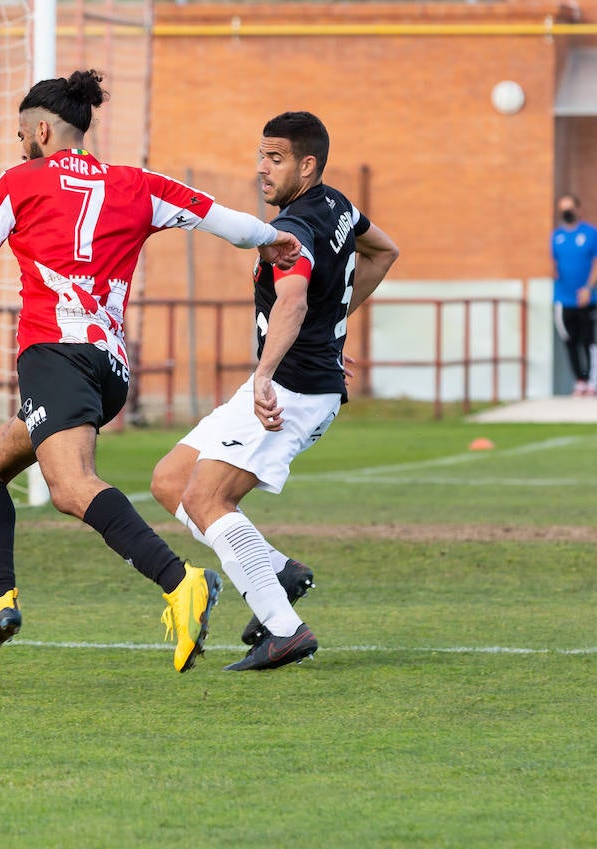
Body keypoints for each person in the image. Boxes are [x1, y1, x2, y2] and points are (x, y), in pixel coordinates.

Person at [0, 70, 302, 673]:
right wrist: (272, 238)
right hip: (110, 368)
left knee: (71, 487)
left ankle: (182, 582)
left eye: (22, 132)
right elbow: (227, 222)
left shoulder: (21, 182)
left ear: (41, 129)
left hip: (55, 355)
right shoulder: (138, 184)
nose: (20, 143)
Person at [150, 111, 400, 671]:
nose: (261, 169)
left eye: (276, 158)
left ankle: (285, 630)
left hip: (292, 390)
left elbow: (291, 299)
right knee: (170, 480)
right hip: (298, 376)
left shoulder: (296, 230)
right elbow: (383, 251)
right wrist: (329, 329)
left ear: (306, 165)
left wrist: (266, 373)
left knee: (206, 499)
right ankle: (279, 571)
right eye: (260, 156)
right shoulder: (337, 205)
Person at [551, 194, 597, 396]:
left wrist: (588, 287)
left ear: (578, 209)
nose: (566, 212)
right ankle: (579, 381)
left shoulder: (590, 234)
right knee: (570, 341)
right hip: (563, 299)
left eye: (570, 208)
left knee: (588, 340)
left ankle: (592, 383)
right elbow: (552, 262)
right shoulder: (556, 236)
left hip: (586, 299)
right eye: (563, 208)